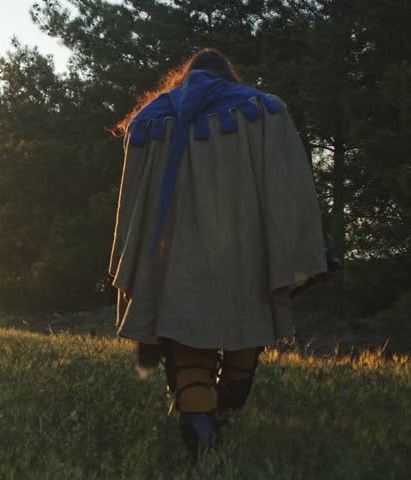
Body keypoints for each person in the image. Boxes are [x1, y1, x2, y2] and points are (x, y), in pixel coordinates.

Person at [108, 48, 328, 458]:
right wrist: (297, 249)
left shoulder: (147, 120)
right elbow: (289, 188)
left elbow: (132, 208)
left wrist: (136, 262)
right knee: (245, 327)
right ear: (230, 76)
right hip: (245, 252)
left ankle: (202, 433)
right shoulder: (265, 111)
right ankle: (216, 417)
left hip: (172, 257)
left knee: (188, 346)